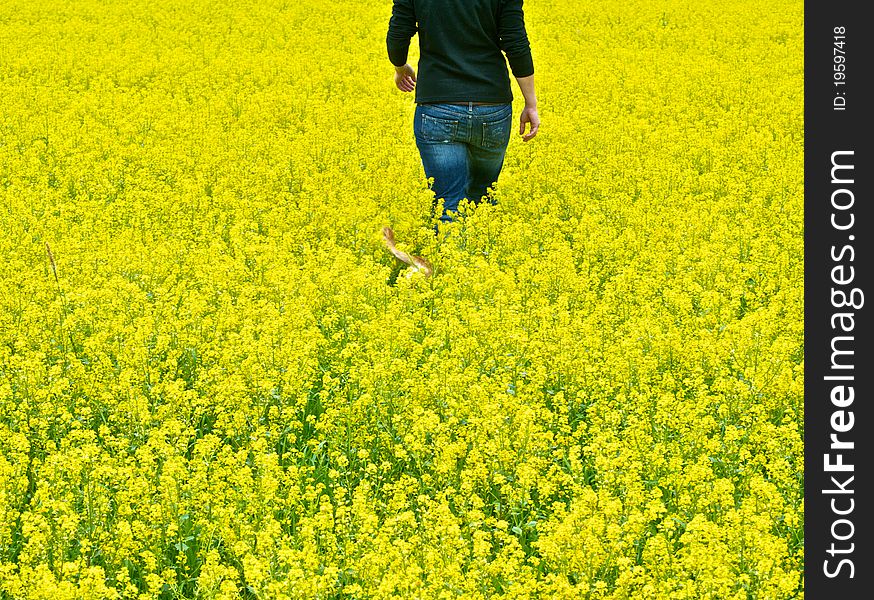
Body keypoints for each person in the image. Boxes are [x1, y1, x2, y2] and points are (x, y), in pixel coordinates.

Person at [387, 0, 539, 229]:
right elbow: (516, 43)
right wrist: (530, 104)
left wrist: (401, 68)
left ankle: (450, 261)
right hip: (492, 108)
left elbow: (398, 34)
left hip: (438, 107)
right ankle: (479, 259)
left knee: (447, 204)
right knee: (482, 199)